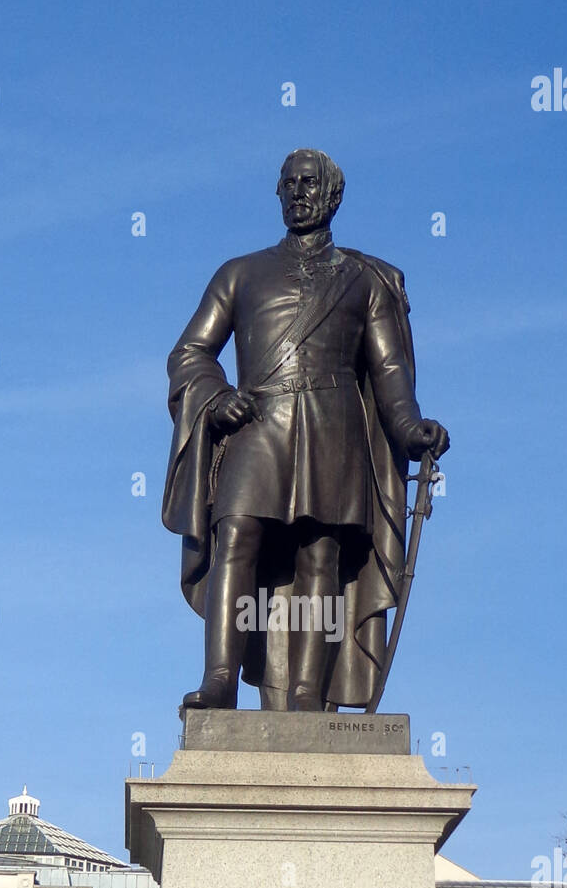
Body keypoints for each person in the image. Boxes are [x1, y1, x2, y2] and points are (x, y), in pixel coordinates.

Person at [164, 148, 450, 712]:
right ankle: (220, 677)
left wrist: (412, 429)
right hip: (257, 423)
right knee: (236, 538)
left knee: (320, 554)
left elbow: (390, 372)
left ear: (333, 196)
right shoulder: (239, 273)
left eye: (310, 183)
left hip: (332, 426)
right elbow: (190, 352)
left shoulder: (366, 280)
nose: (298, 192)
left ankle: (304, 692)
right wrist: (216, 397)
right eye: (289, 183)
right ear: (277, 194)